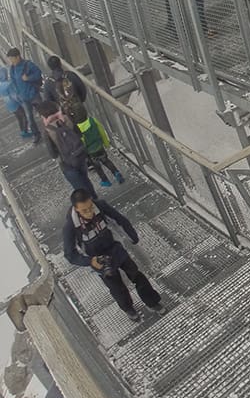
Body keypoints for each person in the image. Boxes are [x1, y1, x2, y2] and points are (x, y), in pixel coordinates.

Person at [62, 188, 163, 322]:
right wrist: (90, 261)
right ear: (76, 209)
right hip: (98, 259)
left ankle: (152, 301)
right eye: (84, 211)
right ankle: (128, 308)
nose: (90, 213)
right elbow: (70, 255)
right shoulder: (70, 227)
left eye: (91, 207)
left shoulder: (100, 206)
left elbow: (119, 219)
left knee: (136, 274)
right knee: (116, 287)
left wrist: (132, 235)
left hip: (114, 248)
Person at [37, 100, 96, 198]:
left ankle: (91, 203)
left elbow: (53, 154)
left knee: (79, 187)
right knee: (85, 179)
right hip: (80, 156)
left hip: (66, 163)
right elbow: (79, 133)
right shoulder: (68, 119)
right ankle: (94, 197)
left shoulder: (47, 131)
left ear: (43, 116)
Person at [64, 99, 124, 188]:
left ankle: (105, 181)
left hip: (90, 152)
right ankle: (117, 173)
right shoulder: (93, 120)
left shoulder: (77, 128)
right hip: (99, 146)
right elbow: (102, 132)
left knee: (97, 167)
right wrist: (106, 143)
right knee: (106, 161)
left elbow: (81, 141)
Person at [5, 48, 42, 140]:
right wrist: (17, 94)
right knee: (30, 118)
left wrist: (28, 78)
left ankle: (51, 130)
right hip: (24, 98)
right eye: (9, 59)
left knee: (43, 112)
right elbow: (13, 82)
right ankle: (36, 135)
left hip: (34, 95)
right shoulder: (12, 69)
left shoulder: (28, 65)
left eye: (12, 59)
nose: (11, 61)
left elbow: (38, 73)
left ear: (18, 57)